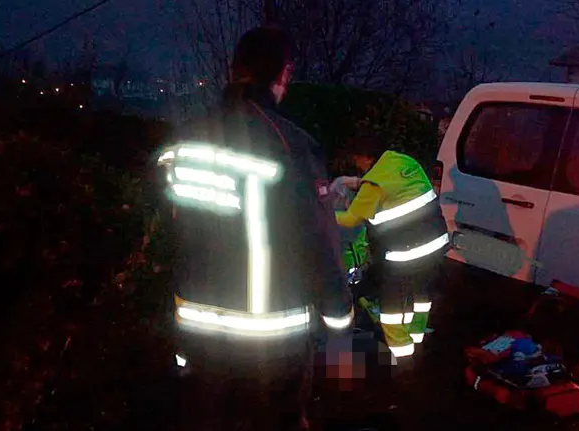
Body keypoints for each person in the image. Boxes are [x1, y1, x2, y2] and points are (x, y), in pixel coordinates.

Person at [157, 25, 353, 430]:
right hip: (270, 347)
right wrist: (339, 315)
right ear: (284, 74)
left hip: (197, 334)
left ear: (233, 71)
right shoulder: (290, 145)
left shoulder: (186, 141)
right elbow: (316, 241)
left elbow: (173, 232)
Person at [335, 137, 449, 363]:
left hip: (406, 254)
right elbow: (392, 186)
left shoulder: (373, 185)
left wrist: (321, 212)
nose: (357, 164)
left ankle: (402, 356)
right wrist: (355, 182)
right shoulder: (403, 163)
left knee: (392, 306)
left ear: (365, 158)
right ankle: (418, 338)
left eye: (356, 159)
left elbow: (350, 219)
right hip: (435, 246)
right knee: (420, 295)